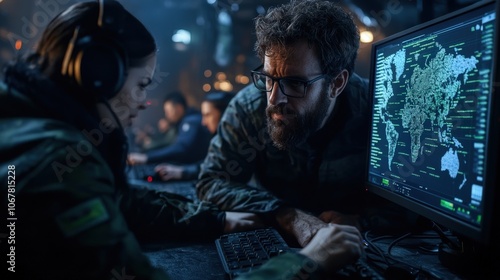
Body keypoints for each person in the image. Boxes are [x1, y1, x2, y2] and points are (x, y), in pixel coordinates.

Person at [0, 1, 364, 279]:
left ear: (337, 83)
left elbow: (119, 200)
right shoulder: (59, 159)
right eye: (142, 84)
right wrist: (307, 262)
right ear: (99, 76)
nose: (145, 101)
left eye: (295, 83)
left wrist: (217, 220)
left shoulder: (29, 130)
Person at [197, 0, 379, 252]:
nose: (273, 100)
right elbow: (212, 183)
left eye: (295, 83)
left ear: (337, 83)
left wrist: (362, 220)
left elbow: (413, 203)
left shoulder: (376, 111)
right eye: (269, 79)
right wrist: (286, 214)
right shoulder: (248, 109)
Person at [155, 91, 234, 181]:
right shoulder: (221, 138)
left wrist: (184, 172)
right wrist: (184, 171)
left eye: (207, 115)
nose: (203, 122)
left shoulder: (235, 141)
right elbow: (213, 163)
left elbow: (218, 167)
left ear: (225, 115)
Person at [128, 91, 212, 165]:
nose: (166, 115)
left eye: (168, 111)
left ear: (178, 108)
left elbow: (180, 148)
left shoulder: (191, 121)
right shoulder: (184, 121)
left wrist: (147, 158)